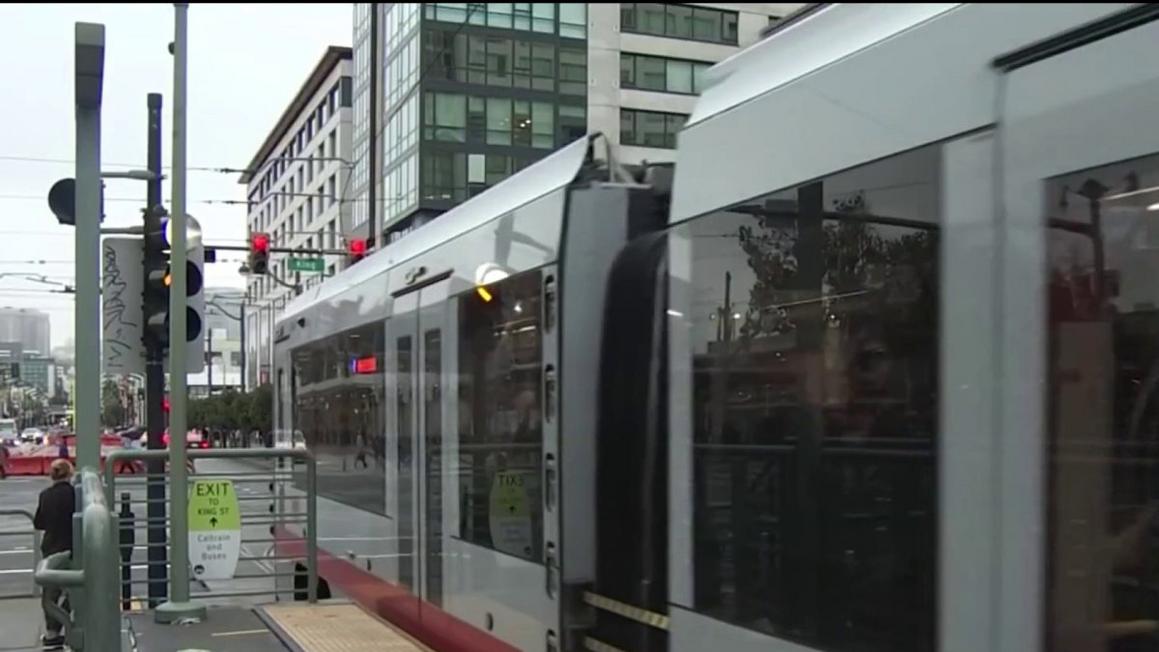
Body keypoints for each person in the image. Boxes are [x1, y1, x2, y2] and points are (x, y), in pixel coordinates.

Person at [34, 459, 75, 650]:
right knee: (76, 589)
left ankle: (52, 631)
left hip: (50, 546)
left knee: (50, 593)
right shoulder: (74, 494)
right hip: (70, 546)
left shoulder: (45, 495)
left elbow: (39, 522)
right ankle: (65, 622)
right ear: (70, 473)